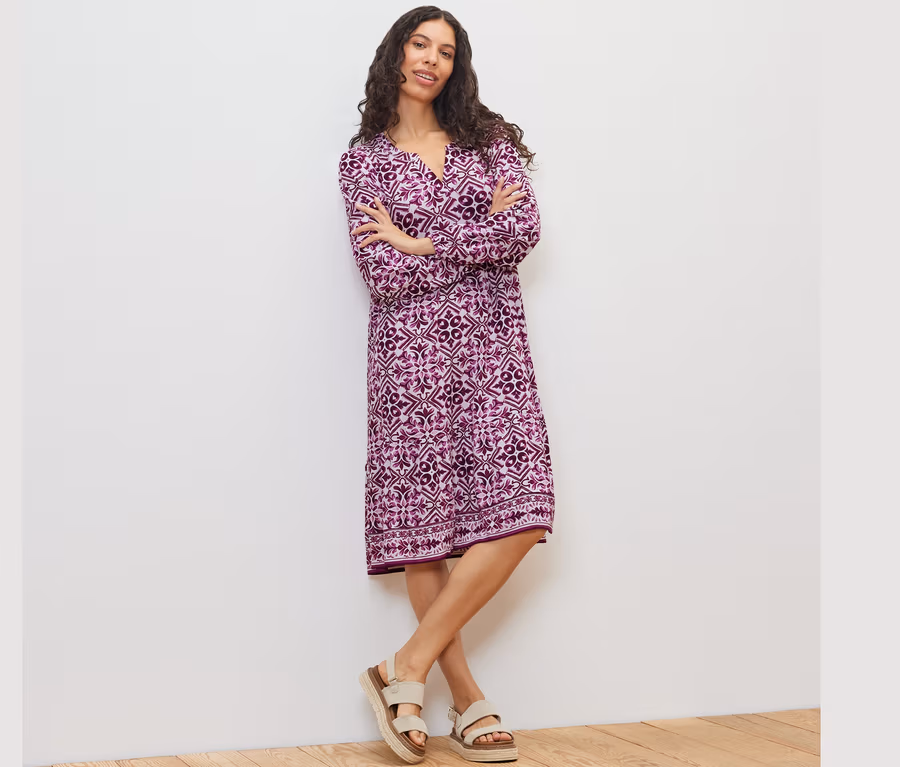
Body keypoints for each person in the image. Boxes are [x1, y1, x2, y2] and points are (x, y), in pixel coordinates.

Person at [337, 6, 555, 763]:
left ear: (457, 66)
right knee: (425, 536)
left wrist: (420, 238)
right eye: (419, 44)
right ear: (395, 55)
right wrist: (470, 240)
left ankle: (405, 664)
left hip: (494, 351)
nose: (431, 59)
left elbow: (522, 231)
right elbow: (384, 273)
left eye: (446, 51)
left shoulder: (487, 141)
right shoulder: (363, 161)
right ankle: (464, 699)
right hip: (412, 361)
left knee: (524, 512)